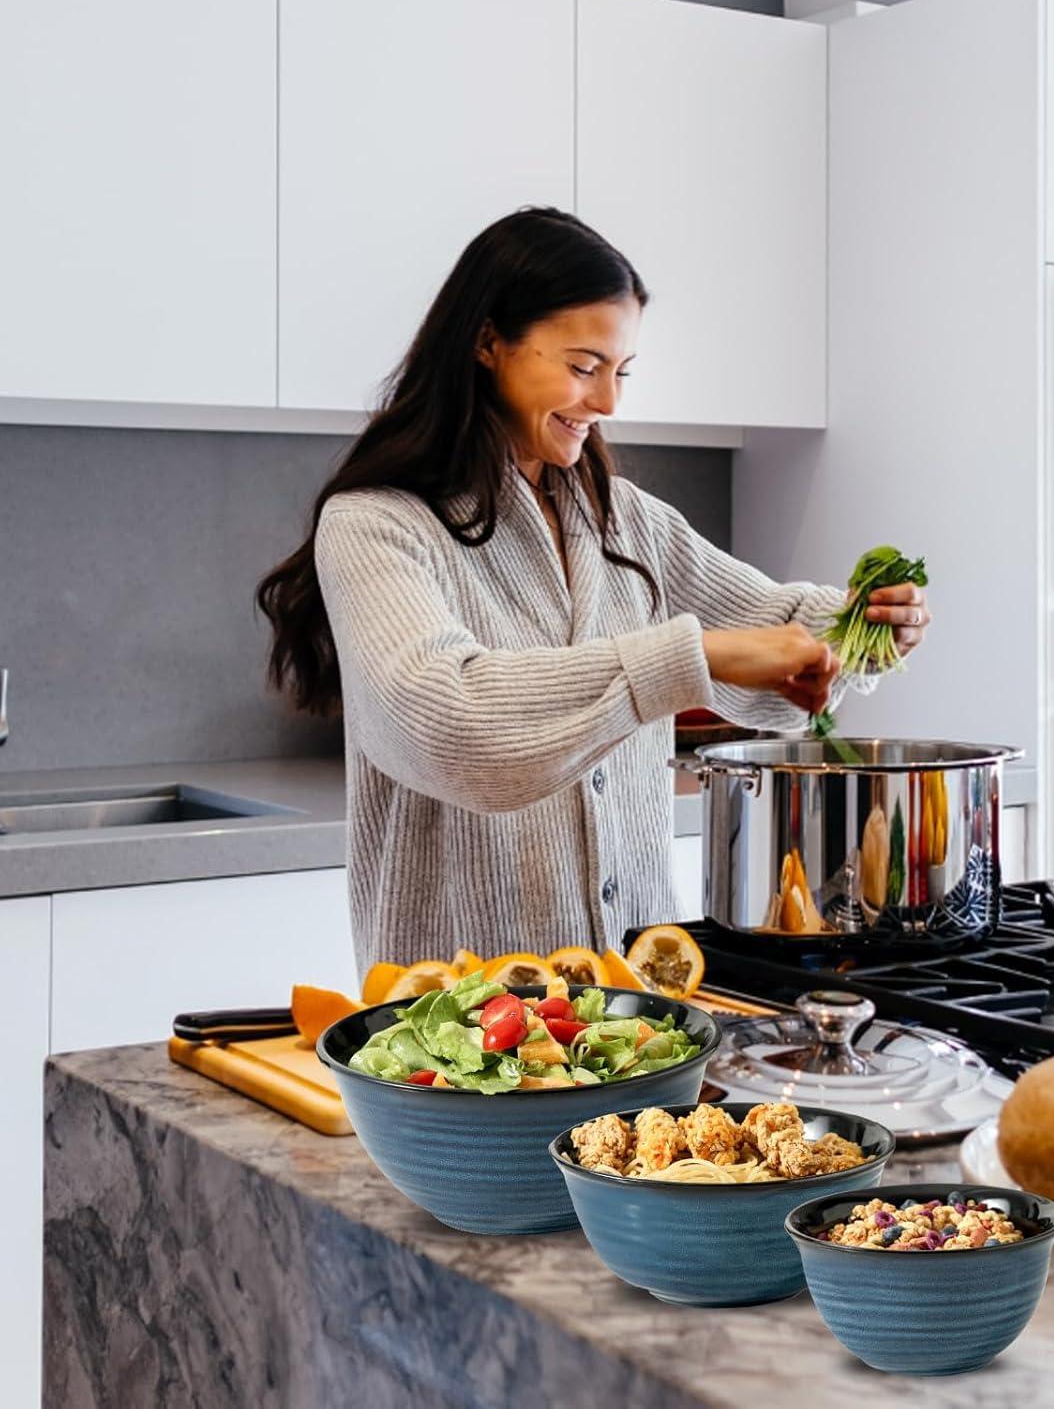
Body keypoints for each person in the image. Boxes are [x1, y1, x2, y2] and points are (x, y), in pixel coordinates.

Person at [257, 207, 929, 970]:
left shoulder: (625, 520)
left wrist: (863, 627)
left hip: (647, 1003)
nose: (608, 402)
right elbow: (449, 722)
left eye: (621, 371)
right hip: (458, 1022)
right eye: (583, 367)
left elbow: (772, 629)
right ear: (486, 344)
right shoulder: (378, 525)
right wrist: (689, 658)